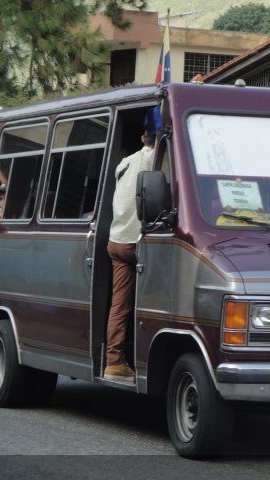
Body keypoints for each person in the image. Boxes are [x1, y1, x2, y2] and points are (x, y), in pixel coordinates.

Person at [103, 129, 156, 382]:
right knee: (160, 300)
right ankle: (148, 360)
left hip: (115, 240)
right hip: (136, 244)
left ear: (142, 136)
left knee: (119, 305)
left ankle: (114, 361)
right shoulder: (153, 159)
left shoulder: (124, 163)